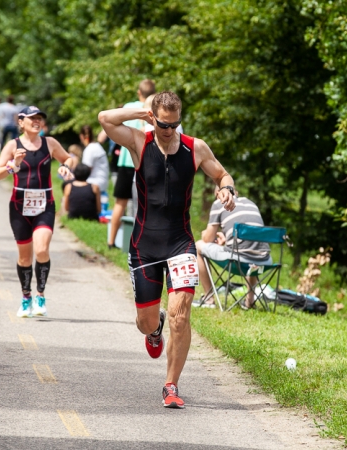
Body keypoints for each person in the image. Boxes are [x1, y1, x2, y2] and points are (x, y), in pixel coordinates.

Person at [98, 90, 236, 409]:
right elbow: (104, 118)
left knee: (181, 315)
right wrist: (138, 115)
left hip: (180, 243)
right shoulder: (138, 142)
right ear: (154, 118)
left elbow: (221, 173)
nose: (169, 131)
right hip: (144, 245)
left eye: (175, 125)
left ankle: (171, 385)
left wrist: (227, 190)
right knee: (146, 322)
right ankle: (154, 328)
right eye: (163, 124)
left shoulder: (194, 148)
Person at [0, 105, 73, 318]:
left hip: (45, 204)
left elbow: (69, 158)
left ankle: (40, 295)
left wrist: (67, 167)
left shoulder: (50, 143)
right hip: (19, 206)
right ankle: (26, 297)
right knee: (25, 258)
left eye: (39, 118)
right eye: (32, 118)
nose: (37, 122)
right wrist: (13, 165)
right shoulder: (13, 145)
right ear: (21, 122)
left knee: (42, 249)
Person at [194, 189, 272, 309]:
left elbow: (207, 239)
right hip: (263, 263)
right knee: (251, 253)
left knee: (198, 245)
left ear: (218, 194)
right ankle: (249, 302)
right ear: (236, 192)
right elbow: (248, 242)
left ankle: (209, 299)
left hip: (237, 262)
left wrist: (208, 234)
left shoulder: (219, 203)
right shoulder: (251, 203)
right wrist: (225, 242)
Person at [107, 80, 156, 249]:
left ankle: (111, 241)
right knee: (143, 207)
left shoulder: (131, 107)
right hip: (145, 165)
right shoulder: (157, 109)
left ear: (138, 92)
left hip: (127, 161)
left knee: (120, 203)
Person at [79, 125, 110, 194]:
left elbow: (85, 171)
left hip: (95, 183)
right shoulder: (97, 146)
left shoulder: (90, 149)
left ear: (81, 136)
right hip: (102, 183)